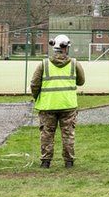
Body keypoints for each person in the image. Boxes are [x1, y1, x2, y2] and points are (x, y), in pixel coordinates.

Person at [31, 34, 86, 168]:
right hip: (68, 105)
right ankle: (69, 162)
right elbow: (81, 81)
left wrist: (36, 96)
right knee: (68, 134)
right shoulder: (74, 63)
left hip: (47, 105)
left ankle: (45, 162)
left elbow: (34, 84)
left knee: (47, 134)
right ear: (66, 48)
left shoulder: (43, 64)